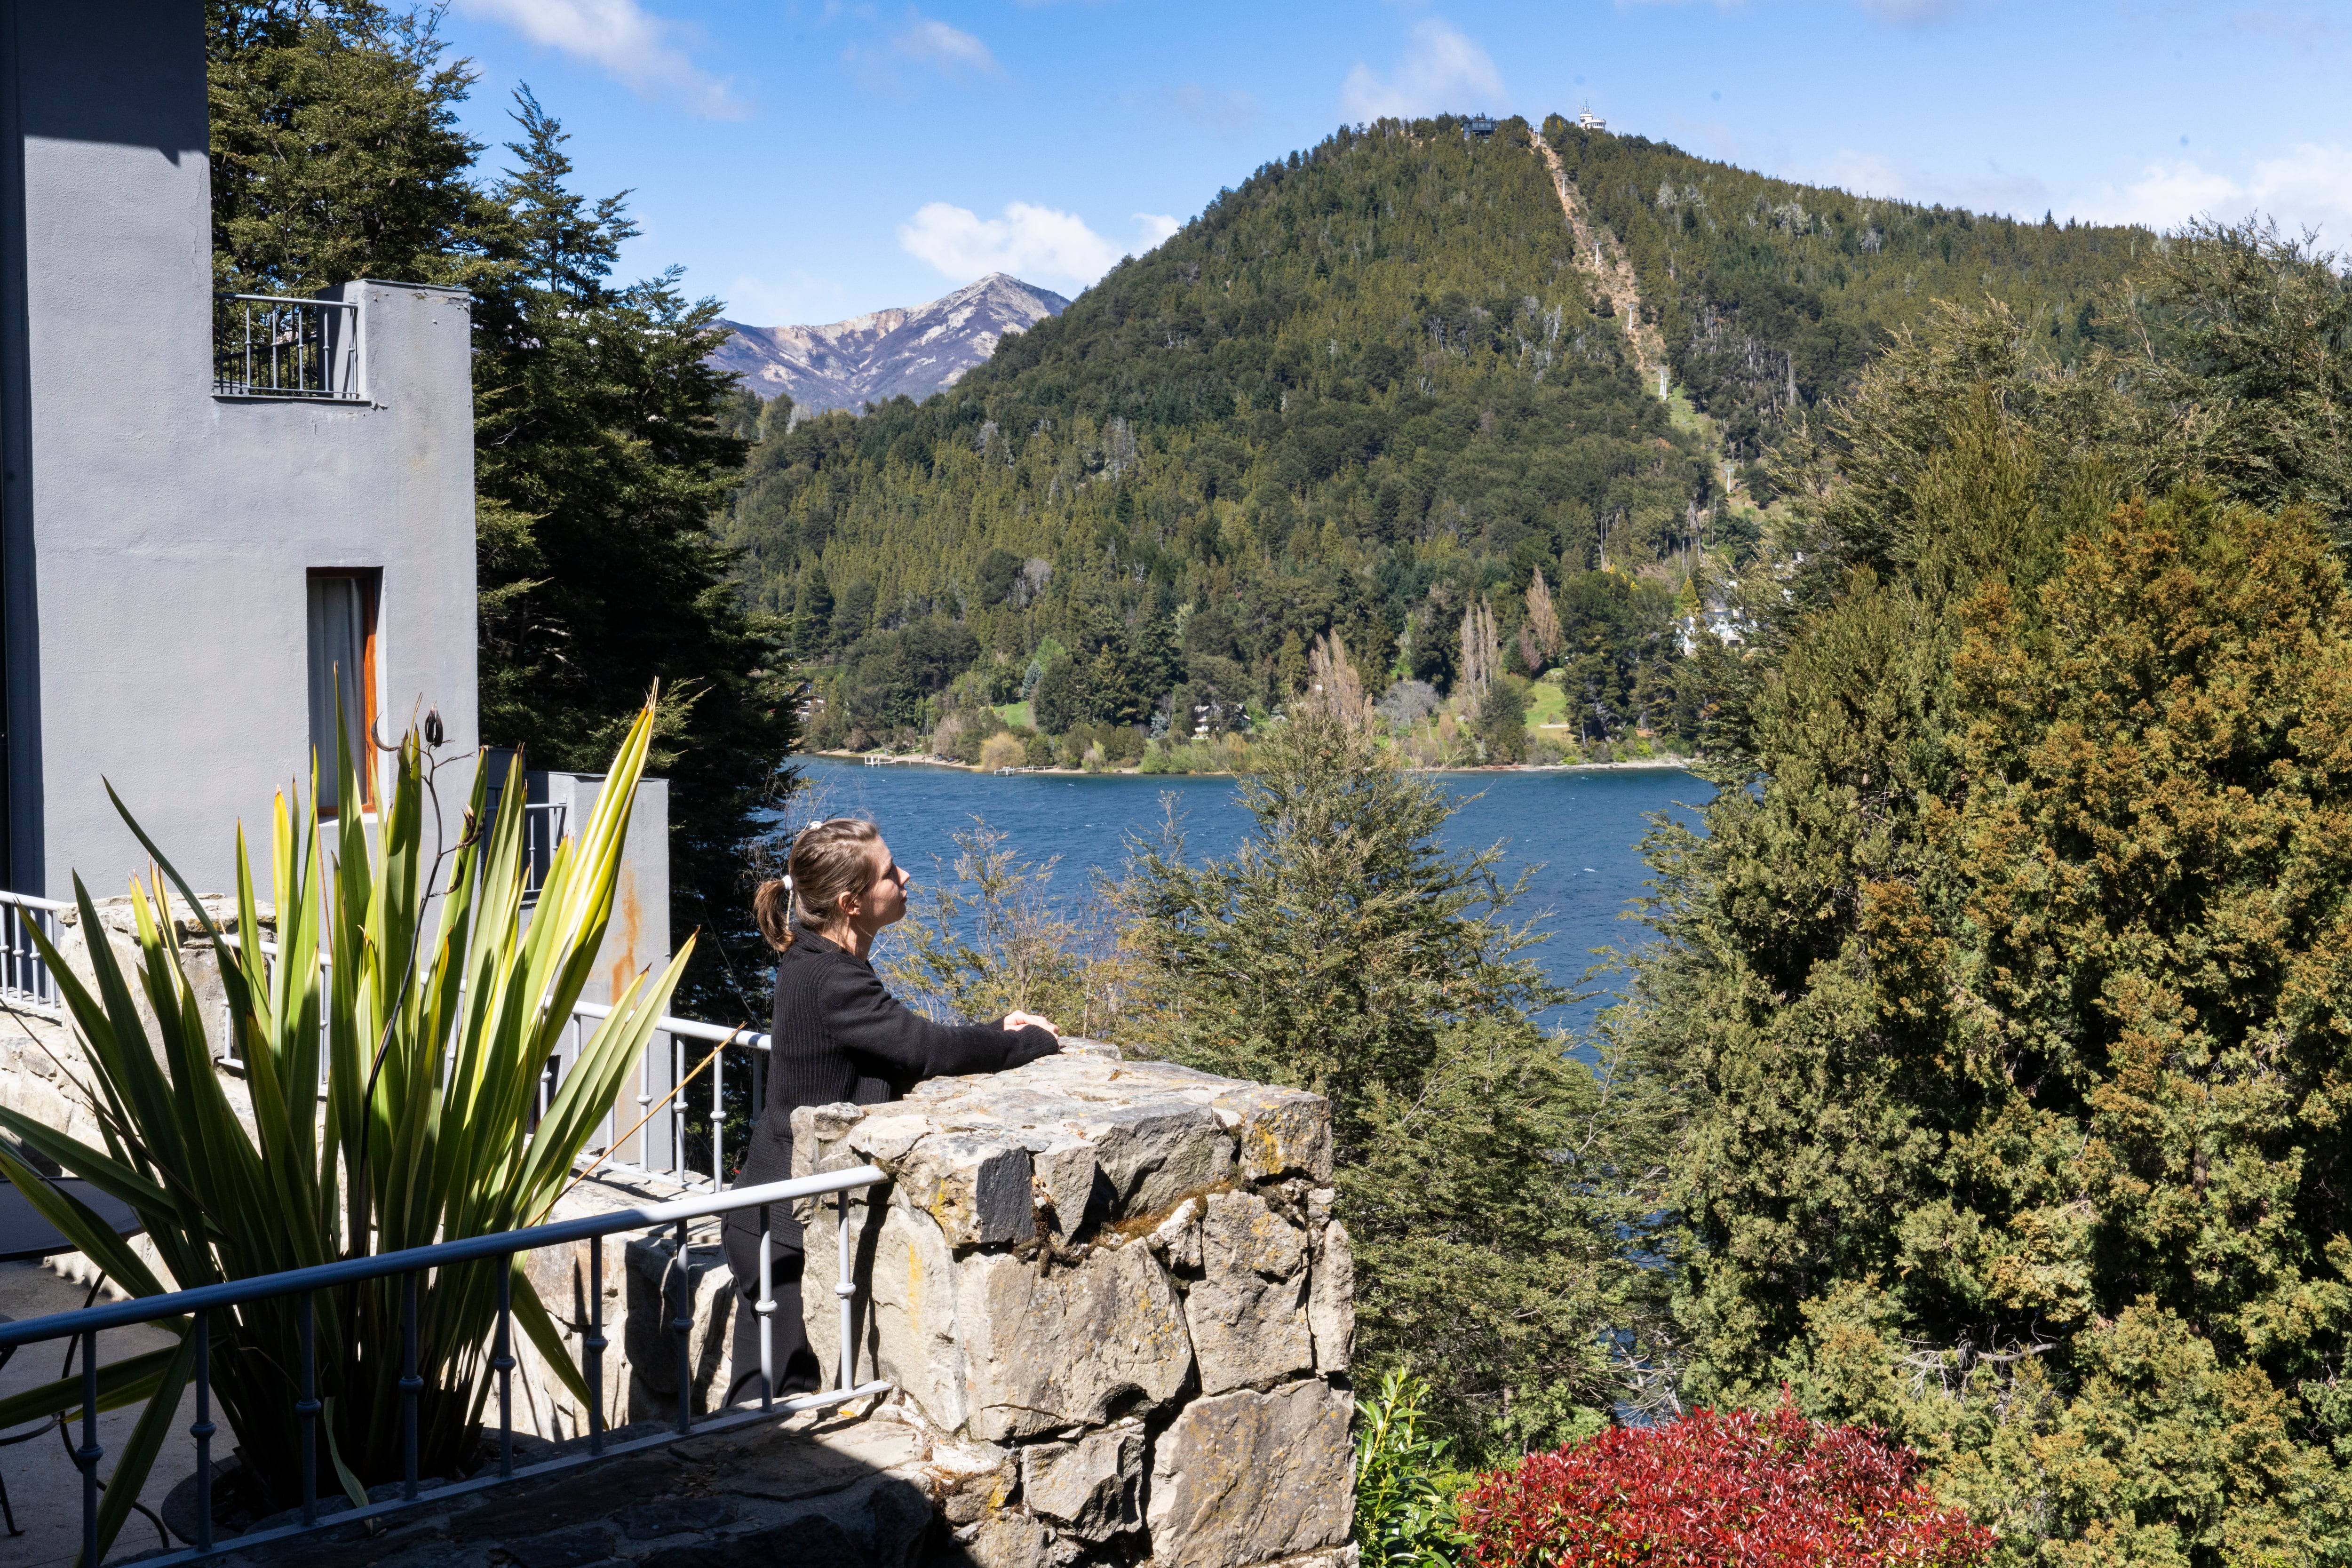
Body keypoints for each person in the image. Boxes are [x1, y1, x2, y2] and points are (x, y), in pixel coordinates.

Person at [722, 817, 1060, 1406]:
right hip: (781, 1226)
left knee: (770, 1404)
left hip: (771, 1212)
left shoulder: (815, 959)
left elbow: (893, 1045)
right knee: (770, 1410)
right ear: (851, 904)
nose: (905, 877)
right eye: (888, 873)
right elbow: (924, 1047)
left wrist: (993, 1030)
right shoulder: (831, 976)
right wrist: (1029, 1042)